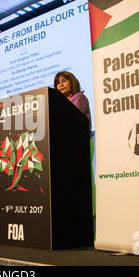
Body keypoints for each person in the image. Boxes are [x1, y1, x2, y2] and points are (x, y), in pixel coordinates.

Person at [54, 71, 96, 223]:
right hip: (67, 143)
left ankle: (91, 210)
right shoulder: (60, 103)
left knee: (84, 176)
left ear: (72, 82)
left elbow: (72, 117)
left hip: (81, 141)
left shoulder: (79, 97)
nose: (61, 84)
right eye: (58, 83)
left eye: (64, 81)